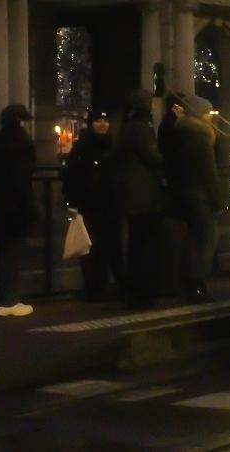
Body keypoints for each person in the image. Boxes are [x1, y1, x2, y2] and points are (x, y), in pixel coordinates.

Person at [111, 89, 167, 308]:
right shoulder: (140, 128)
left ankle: (137, 291)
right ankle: (142, 293)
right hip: (143, 197)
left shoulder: (128, 127)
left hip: (133, 196)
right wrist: (163, 160)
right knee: (144, 245)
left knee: (137, 244)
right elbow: (150, 156)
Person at [167, 96, 223, 302]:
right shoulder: (201, 137)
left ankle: (189, 284)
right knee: (207, 238)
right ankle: (197, 283)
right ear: (200, 114)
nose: (211, 117)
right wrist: (218, 199)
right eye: (208, 113)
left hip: (185, 194)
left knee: (192, 239)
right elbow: (209, 171)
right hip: (200, 197)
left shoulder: (181, 133)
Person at [0, 105, 37, 317]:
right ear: (20, 122)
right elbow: (22, 181)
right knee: (14, 255)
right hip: (17, 207)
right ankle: (10, 301)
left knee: (5, 254)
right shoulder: (22, 145)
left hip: (1, 205)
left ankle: (5, 298)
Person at [63, 110, 118, 299]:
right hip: (89, 204)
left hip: (109, 204)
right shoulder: (83, 148)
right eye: (98, 121)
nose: (103, 124)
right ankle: (93, 288)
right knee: (90, 247)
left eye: (105, 120)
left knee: (106, 245)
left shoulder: (111, 144)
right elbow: (72, 177)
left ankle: (102, 285)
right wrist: (73, 202)